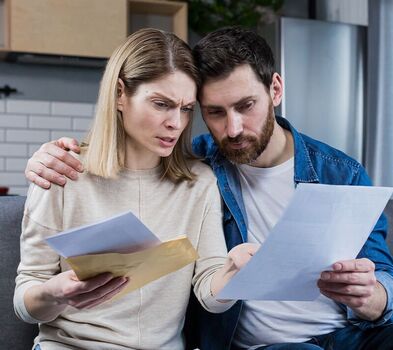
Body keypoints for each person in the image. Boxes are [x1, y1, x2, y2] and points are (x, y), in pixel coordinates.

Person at [25, 27, 393, 350]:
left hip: (352, 335)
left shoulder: (338, 171)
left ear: (276, 90)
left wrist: (369, 294)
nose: (234, 128)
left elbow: (387, 284)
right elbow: (134, 165)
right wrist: (47, 156)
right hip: (271, 346)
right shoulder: (202, 162)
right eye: (215, 113)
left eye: (246, 106)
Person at [14, 28, 252, 350]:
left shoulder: (200, 183)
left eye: (185, 109)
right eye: (161, 104)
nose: (176, 123)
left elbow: (210, 294)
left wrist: (234, 273)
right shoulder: (62, 173)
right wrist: (53, 293)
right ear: (120, 94)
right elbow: (26, 300)